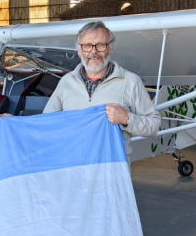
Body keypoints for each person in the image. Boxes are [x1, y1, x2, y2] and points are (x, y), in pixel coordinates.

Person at [42, 21, 161, 161]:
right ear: (79, 51)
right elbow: (46, 123)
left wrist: (126, 118)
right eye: (87, 46)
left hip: (112, 172)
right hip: (72, 169)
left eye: (100, 45)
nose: (94, 52)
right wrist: (13, 123)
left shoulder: (131, 81)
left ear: (110, 48)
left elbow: (154, 125)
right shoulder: (66, 82)